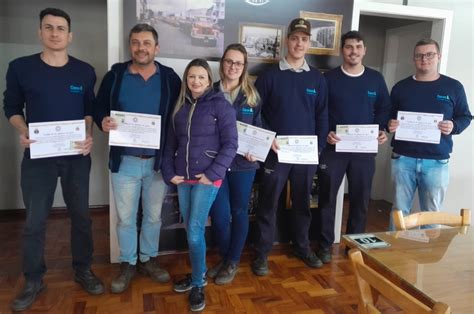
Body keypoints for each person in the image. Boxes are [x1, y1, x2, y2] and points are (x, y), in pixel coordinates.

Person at [3, 8, 103, 311]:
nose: (55, 33)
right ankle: (34, 279)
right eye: (49, 28)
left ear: (70, 35)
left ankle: (83, 269)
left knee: (82, 218)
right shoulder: (20, 68)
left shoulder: (84, 71)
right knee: (34, 222)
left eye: (61, 28)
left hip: (75, 157)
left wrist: (88, 135)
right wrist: (23, 131)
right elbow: (11, 108)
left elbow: (89, 109)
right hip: (38, 157)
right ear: (40, 33)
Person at [94, 24, 181, 293]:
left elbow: (180, 113)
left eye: (146, 43)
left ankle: (148, 259)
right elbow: (98, 108)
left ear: (156, 47)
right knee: (126, 218)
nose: (140, 47)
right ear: (130, 46)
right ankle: (128, 263)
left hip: (157, 163)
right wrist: (102, 121)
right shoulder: (115, 76)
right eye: (135, 42)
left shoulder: (170, 78)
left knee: (154, 217)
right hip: (125, 162)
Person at [251, 18, 329, 276]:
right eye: (295, 38)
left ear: (309, 43)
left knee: (303, 204)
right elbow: (257, 113)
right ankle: (262, 253)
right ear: (287, 41)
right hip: (275, 152)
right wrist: (267, 138)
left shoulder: (317, 78)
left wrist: (317, 150)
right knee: (268, 203)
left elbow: (322, 115)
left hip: (306, 154)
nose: (299, 43)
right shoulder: (270, 76)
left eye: (304, 39)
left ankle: (302, 247)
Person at [162, 59, 238, 312]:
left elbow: (230, 145)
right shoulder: (180, 108)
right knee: (190, 228)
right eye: (192, 77)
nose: (196, 81)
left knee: (194, 230)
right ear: (187, 80)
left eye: (201, 77)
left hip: (208, 178)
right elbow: (171, 143)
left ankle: (198, 283)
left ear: (209, 80)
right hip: (184, 178)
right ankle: (200, 273)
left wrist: (213, 173)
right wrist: (169, 171)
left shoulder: (221, 105)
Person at [317, 31, 390, 262]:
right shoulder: (328, 78)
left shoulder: (375, 79)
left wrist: (380, 130)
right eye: (349, 47)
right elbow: (321, 110)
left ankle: (354, 245)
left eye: (358, 47)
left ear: (364, 50)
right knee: (327, 198)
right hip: (333, 149)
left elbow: (384, 109)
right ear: (342, 51)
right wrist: (326, 132)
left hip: (364, 151)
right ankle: (325, 245)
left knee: (360, 199)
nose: (354, 51)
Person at [388, 38, 471, 229]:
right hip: (403, 159)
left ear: (438, 56)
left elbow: (465, 116)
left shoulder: (453, 87)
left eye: (429, 54)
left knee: (432, 213)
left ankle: (429, 257)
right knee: (399, 210)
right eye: (419, 55)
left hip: (436, 162)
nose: (424, 59)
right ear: (414, 59)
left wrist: (453, 126)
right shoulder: (401, 87)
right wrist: (389, 123)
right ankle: (392, 254)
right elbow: (389, 116)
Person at [207, 44, 261, 285]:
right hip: (216, 164)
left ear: (243, 67)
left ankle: (232, 261)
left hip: (243, 166)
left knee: (239, 212)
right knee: (219, 214)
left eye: (238, 63)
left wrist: (256, 151)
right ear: (222, 64)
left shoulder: (252, 96)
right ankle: (226, 256)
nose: (233, 67)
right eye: (229, 61)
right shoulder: (208, 93)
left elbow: (258, 130)